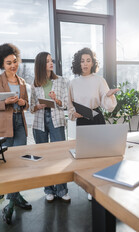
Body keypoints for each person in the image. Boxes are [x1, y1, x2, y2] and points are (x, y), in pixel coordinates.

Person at [0, 43, 32, 224]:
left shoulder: (21, 81)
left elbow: (26, 104)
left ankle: (12, 202)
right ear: (1, 64)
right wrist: (5, 103)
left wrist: (22, 103)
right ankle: (15, 200)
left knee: (19, 164)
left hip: (20, 124)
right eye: (8, 63)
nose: (13, 65)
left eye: (15, 61)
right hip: (5, 126)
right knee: (7, 165)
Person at [68, 47, 119, 200]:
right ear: (78, 63)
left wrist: (108, 95)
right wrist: (73, 113)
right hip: (82, 120)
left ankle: (100, 185)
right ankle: (90, 187)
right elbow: (69, 105)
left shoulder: (99, 80)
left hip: (96, 117)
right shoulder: (73, 83)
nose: (85, 64)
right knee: (85, 156)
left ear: (92, 63)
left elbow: (107, 104)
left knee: (100, 154)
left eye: (88, 60)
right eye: (82, 61)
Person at [30, 51, 71, 202]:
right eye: (47, 61)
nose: (51, 63)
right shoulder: (35, 83)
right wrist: (38, 106)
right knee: (44, 157)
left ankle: (62, 190)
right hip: (40, 121)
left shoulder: (61, 81)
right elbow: (31, 108)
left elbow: (65, 104)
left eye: (51, 60)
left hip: (56, 119)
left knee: (60, 155)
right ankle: (49, 189)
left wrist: (55, 99)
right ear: (41, 64)